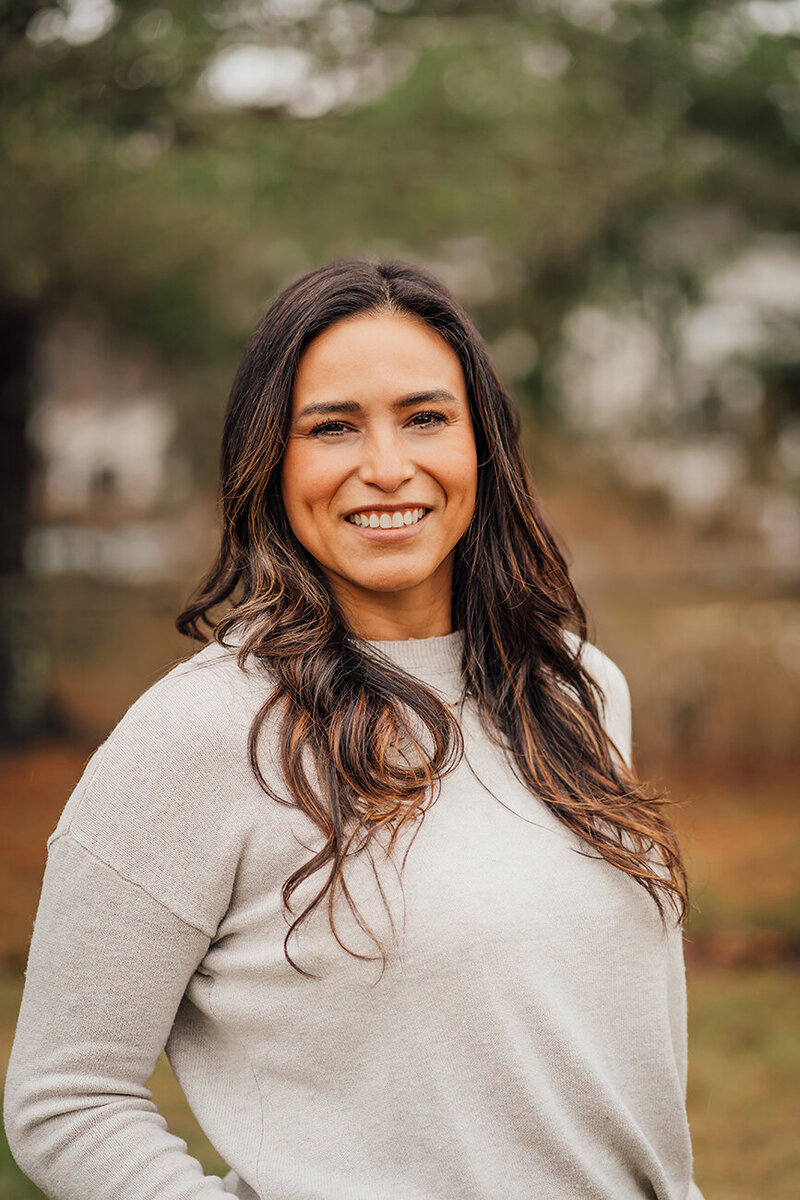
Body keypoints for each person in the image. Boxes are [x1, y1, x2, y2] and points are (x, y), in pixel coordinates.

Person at [4, 259, 704, 1200]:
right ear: (270, 459)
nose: (386, 466)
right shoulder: (200, 734)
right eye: (332, 426)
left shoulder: (576, 689)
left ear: (482, 443)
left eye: (425, 417)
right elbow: (66, 1097)